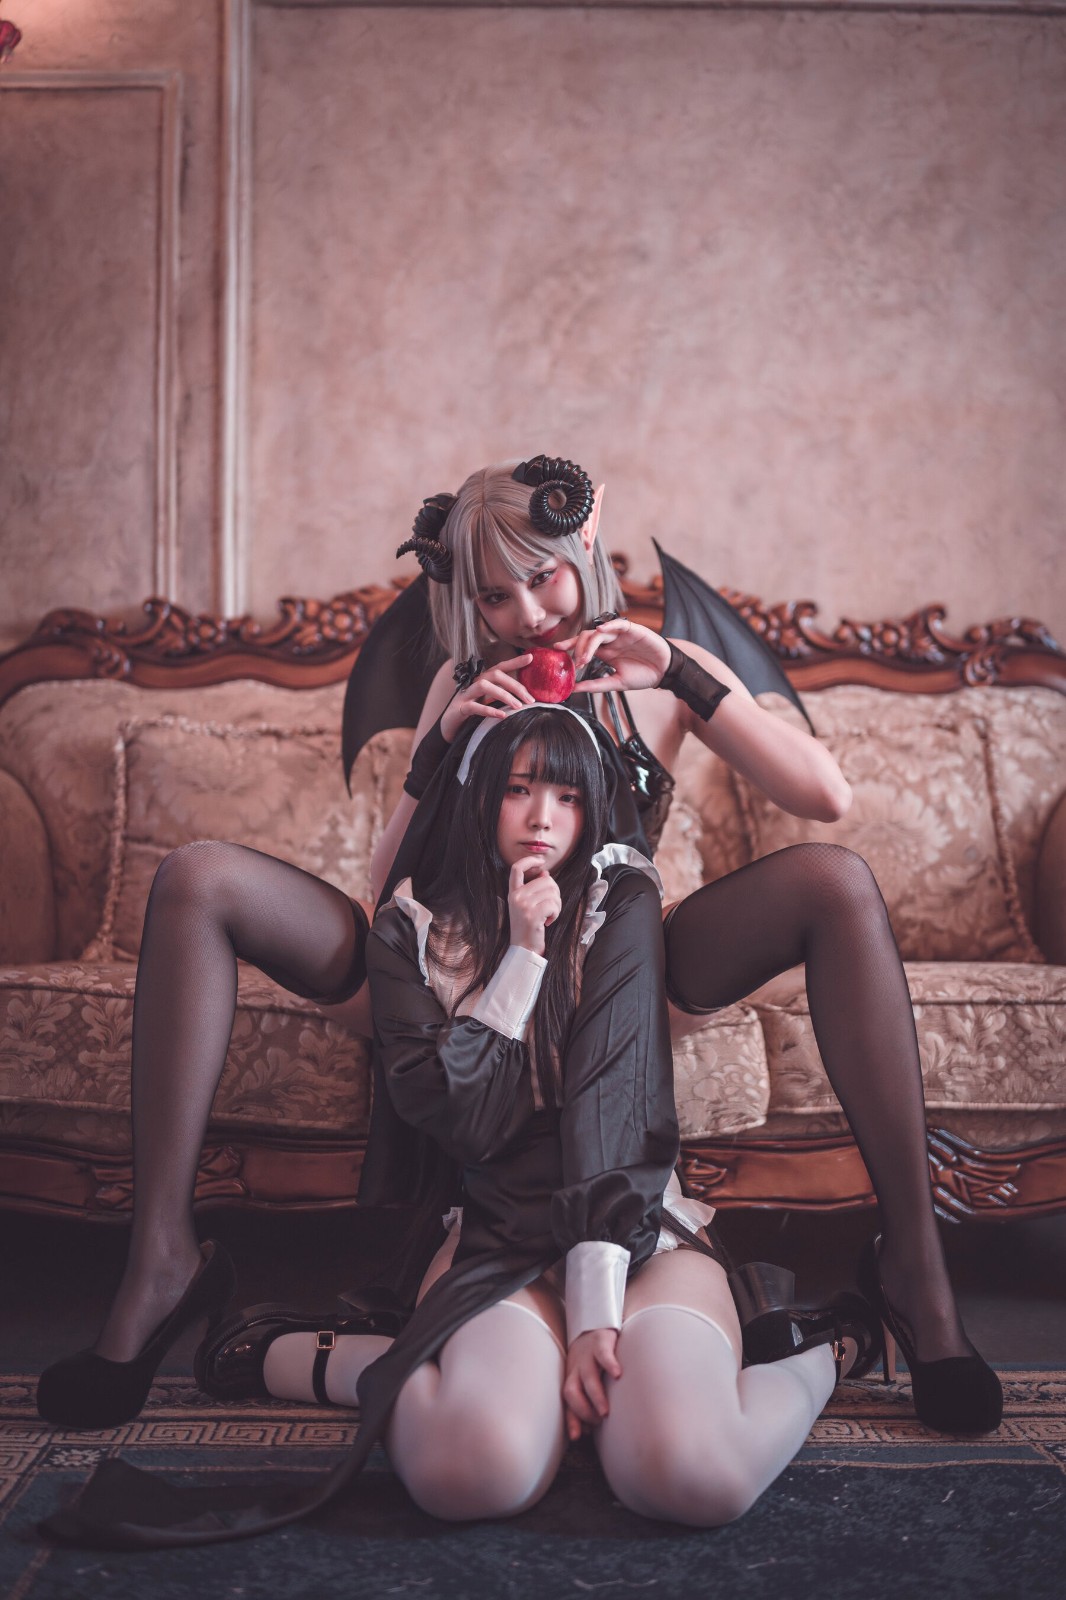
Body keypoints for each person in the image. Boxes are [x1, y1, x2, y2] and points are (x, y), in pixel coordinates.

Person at [37, 453, 1000, 1444]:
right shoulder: (463, 680)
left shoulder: (659, 670)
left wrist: (680, 673)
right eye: (495, 596)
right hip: (454, 964)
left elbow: (826, 796)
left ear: (586, 536)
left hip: (618, 970)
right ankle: (163, 1260)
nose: (529, 614)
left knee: (834, 880)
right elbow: (387, 895)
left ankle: (913, 1267)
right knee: (197, 877)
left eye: (542, 578)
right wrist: (437, 752)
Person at [43, 706, 880, 1547]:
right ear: (480, 794)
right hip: (492, 1237)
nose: (543, 816)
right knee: (470, 1472)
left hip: (637, 1236)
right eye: (518, 789)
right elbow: (459, 1116)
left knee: (689, 1475)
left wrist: (594, 1313)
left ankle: (828, 1349)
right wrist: (521, 956)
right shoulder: (408, 930)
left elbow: (613, 1101)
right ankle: (315, 1356)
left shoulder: (618, 897)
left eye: (567, 796)